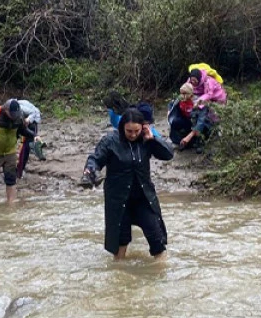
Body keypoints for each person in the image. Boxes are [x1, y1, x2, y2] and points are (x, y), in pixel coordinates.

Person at [82, 108, 174, 259]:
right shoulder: (110, 141)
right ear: (122, 127)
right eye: (128, 131)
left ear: (143, 128)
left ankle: (161, 272)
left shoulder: (146, 140)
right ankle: (118, 273)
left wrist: (153, 139)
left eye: (136, 131)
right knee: (120, 242)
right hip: (118, 200)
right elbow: (95, 158)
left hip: (143, 198)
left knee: (157, 238)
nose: (132, 134)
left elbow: (168, 154)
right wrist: (90, 170)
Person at [168, 83, 219, 151]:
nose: (182, 95)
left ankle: (199, 142)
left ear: (190, 94)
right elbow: (171, 103)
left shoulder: (199, 102)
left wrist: (190, 135)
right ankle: (177, 141)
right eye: (181, 93)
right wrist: (169, 111)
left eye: (184, 93)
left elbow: (201, 121)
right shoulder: (180, 98)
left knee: (200, 133)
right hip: (188, 120)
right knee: (175, 122)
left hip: (200, 124)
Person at [15, 100, 44, 178]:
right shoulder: (15, 107)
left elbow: (33, 112)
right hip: (24, 123)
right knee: (23, 145)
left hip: (32, 122)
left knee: (25, 147)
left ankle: (19, 171)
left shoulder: (20, 107)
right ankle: (18, 169)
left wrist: (28, 120)